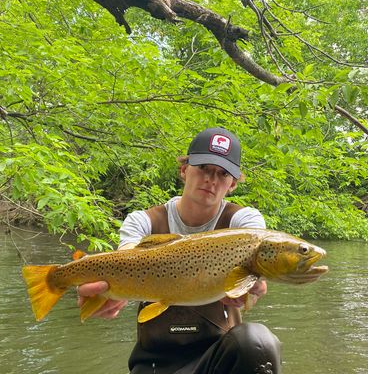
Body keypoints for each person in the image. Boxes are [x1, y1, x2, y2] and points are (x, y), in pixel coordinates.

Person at [78, 127, 281, 374]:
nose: (212, 179)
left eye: (223, 173)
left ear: (233, 184)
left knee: (258, 342)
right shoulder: (143, 222)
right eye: (204, 168)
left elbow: (259, 252)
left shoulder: (244, 222)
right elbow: (125, 259)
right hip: (153, 360)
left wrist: (254, 286)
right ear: (184, 170)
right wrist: (105, 291)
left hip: (217, 357)